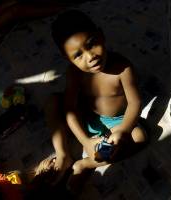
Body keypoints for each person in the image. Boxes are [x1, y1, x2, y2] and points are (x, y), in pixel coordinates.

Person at [51, 9, 148, 192]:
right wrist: (85, 141)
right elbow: (70, 109)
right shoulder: (73, 73)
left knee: (140, 137)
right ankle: (63, 154)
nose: (90, 57)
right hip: (87, 117)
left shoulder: (122, 67)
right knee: (52, 103)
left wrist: (123, 131)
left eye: (92, 43)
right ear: (68, 59)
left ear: (101, 35)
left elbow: (135, 103)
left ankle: (85, 165)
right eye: (78, 55)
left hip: (115, 122)